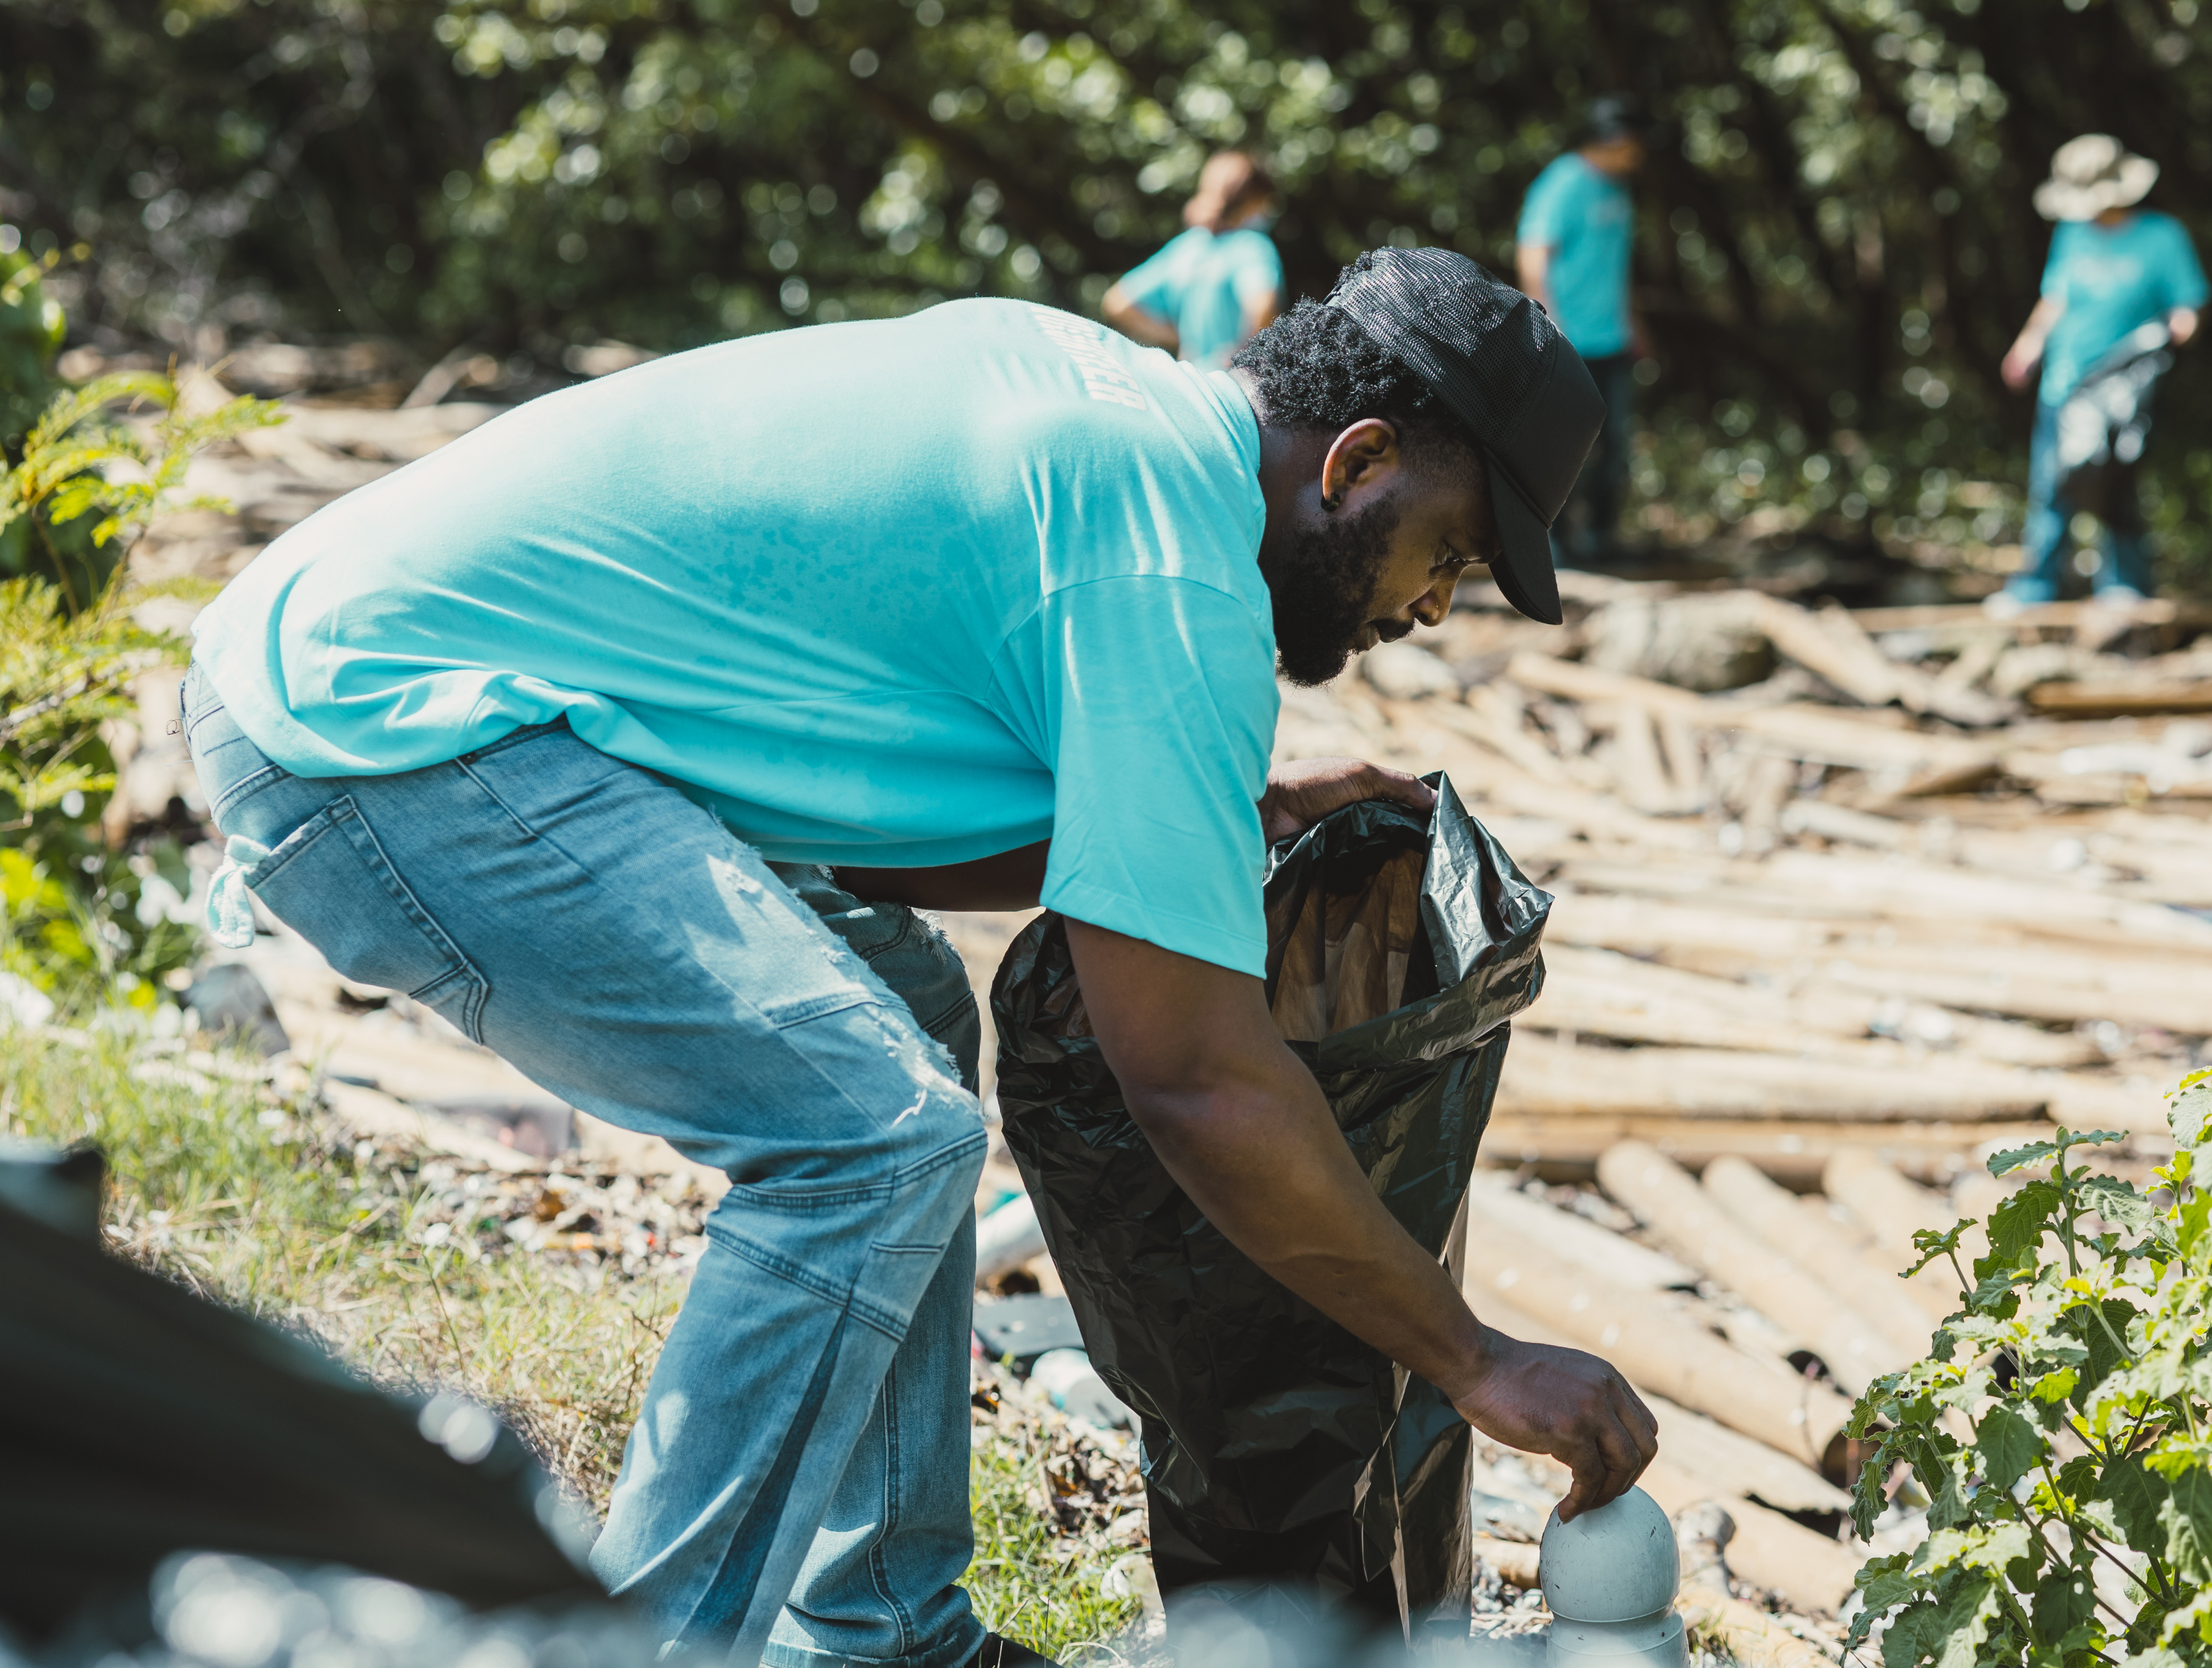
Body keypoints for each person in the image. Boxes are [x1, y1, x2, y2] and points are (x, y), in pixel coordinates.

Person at [178, 247, 1658, 1668]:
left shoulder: (1115, 420)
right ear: (1357, 463)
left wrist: (1224, 812)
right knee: (871, 1140)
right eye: (1448, 552)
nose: (1431, 607)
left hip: (373, 669)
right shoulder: (1169, 569)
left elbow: (876, 825)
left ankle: (879, 1632)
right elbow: (1195, 1082)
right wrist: (1470, 1357)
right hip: (387, 734)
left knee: (906, 1007)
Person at [1996, 133, 2210, 611]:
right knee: (2051, 484)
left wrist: (2181, 327)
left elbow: (2189, 304)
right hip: (2065, 383)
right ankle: (2035, 588)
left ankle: (2124, 586)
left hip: (2123, 392)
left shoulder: (2163, 237)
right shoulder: (2072, 233)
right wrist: (2028, 344)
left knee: (2118, 485)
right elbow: (2055, 298)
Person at [1516, 98, 1649, 563]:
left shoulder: (1620, 191)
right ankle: (1551, 545)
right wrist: (1549, 327)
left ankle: (1600, 540)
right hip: (1570, 341)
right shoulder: (1564, 184)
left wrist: (1634, 324)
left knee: (1615, 446)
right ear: (1617, 140)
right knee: (1563, 446)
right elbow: (1533, 255)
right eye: (1637, 143)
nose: (1642, 154)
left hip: (1614, 340)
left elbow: (1617, 267)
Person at [1101, 150, 1283, 368]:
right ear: (1254, 201)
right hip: (1232, 383)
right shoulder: (1252, 247)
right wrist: (1243, 356)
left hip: (1191, 382)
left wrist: (1181, 339)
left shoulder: (1186, 248)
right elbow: (1263, 308)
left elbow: (1117, 303)